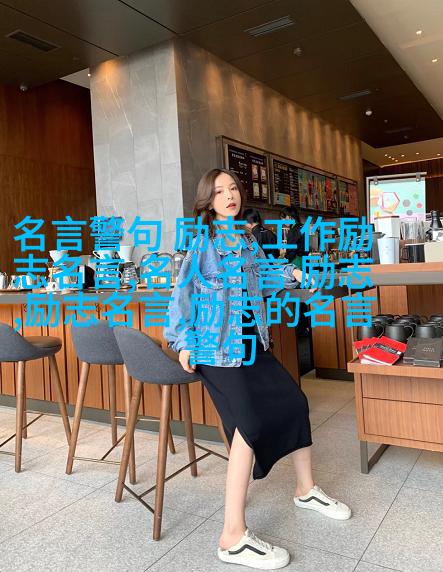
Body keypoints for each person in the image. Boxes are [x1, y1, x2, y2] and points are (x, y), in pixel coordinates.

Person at [164, 169, 351, 571]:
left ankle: (305, 489)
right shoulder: (201, 243)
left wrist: (292, 273)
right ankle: (232, 536)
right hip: (216, 350)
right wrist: (182, 342)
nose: (229, 195)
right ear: (207, 201)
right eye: (219, 191)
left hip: (252, 344)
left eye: (233, 188)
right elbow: (182, 295)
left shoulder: (247, 239)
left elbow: (263, 279)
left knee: (295, 402)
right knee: (248, 426)